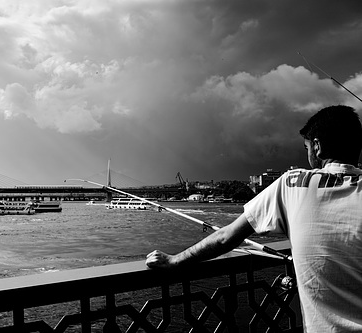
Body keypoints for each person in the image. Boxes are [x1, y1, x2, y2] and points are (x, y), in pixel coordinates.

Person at [146, 105, 362, 332]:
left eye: (306, 147)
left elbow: (225, 238)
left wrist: (174, 261)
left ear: (317, 147)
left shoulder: (292, 183)